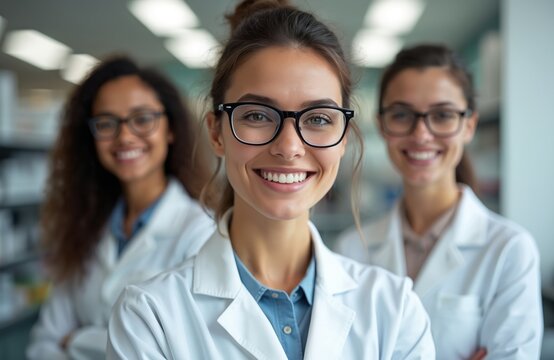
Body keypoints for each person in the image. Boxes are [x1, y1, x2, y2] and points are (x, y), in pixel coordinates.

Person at [107, 1, 435, 359]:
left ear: (344, 138)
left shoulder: (395, 309)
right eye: (258, 115)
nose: (289, 146)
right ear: (217, 133)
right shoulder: (149, 317)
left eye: (319, 119)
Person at [335, 44, 543, 359]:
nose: (421, 134)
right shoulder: (351, 249)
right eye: (402, 115)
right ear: (382, 125)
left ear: (468, 125)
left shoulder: (509, 249)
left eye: (442, 115)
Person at [26, 56, 215, 359]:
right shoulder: (83, 227)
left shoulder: (201, 233)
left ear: (171, 129)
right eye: (106, 123)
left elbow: (184, 350)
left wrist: (76, 341)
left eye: (142, 119)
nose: (124, 136)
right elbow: (45, 342)